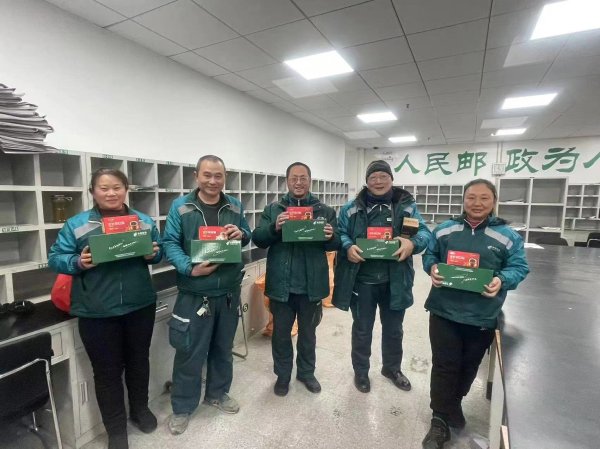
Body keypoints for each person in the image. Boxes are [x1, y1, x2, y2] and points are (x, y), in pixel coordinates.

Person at [48, 168, 162, 449]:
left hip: (139, 305)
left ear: (126, 190)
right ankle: (116, 430)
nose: (111, 193)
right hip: (96, 311)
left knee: (139, 362)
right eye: (104, 188)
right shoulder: (77, 224)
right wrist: (78, 262)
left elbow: (158, 252)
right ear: (92, 192)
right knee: (107, 372)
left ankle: (140, 409)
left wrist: (154, 254)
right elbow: (56, 258)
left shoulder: (143, 221)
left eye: (117, 187)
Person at [421, 179, 529, 449]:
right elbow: (430, 255)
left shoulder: (508, 236)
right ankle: (439, 421)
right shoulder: (445, 229)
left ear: (494, 201)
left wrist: (502, 280)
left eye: (484, 198)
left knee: (469, 367)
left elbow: (519, 267)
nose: (477, 203)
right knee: (444, 365)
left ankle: (453, 404)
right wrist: (432, 267)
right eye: (471, 197)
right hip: (444, 311)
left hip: (481, 315)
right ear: (463, 200)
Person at [163, 155, 251, 435]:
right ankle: (182, 407)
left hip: (227, 292)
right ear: (196, 176)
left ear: (225, 177)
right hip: (195, 292)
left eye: (218, 176)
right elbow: (169, 243)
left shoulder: (234, 205)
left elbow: (246, 235)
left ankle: (217, 393)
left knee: (223, 349)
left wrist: (241, 233)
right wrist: (190, 268)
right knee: (189, 352)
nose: (213, 181)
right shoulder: (181, 206)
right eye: (207, 175)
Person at [332, 160, 431, 394]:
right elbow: (340, 232)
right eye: (373, 177)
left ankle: (392, 369)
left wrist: (412, 243)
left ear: (391, 179)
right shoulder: (351, 208)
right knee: (362, 329)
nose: (378, 181)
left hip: (395, 281)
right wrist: (347, 246)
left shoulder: (406, 207)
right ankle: (361, 372)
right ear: (366, 181)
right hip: (362, 281)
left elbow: (424, 233)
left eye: (383, 176)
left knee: (394, 330)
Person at [252, 162, 340, 396]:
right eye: (294, 178)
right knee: (280, 335)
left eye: (303, 178)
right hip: (281, 285)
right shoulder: (274, 209)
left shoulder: (324, 211)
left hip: (311, 285)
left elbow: (337, 242)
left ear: (309, 180)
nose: (298, 182)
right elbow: (258, 239)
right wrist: (274, 227)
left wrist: (331, 236)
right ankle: (282, 375)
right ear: (287, 181)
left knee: (308, 335)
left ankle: (306, 373)